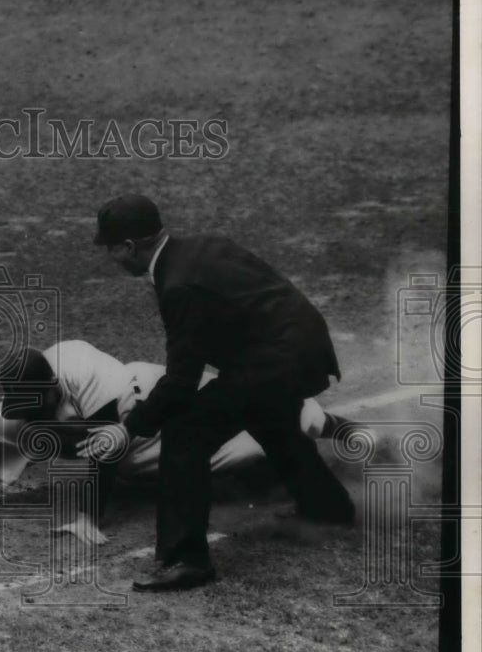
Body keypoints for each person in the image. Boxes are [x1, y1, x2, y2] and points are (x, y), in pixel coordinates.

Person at [87, 194, 356, 592]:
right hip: (302, 346)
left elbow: (182, 379)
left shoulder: (177, 285)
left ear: (128, 246)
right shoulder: (205, 245)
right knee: (270, 416)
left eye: (111, 248)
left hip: (274, 361)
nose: (111, 258)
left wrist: (129, 428)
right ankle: (328, 507)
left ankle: (186, 560)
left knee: (185, 430)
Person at [0, 340, 351, 539]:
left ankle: (348, 433)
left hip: (163, 413)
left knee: (277, 418)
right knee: (200, 474)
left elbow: (105, 441)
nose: (28, 415)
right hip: (140, 462)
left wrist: (87, 517)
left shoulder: (78, 365)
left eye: (38, 404)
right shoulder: (10, 415)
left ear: (54, 386)